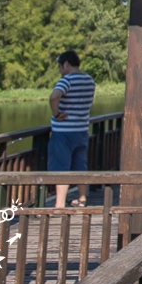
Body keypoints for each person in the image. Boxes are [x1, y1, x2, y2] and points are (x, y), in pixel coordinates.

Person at [49, 50, 96, 208]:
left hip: (64, 131)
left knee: (61, 166)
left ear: (66, 64)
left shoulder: (66, 80)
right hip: (82, 129)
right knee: (80, 165)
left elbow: (54, 96)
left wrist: (56, 114)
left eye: (60, 66)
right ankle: (82, 198)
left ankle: (59, 204)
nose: (60, 69)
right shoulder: (89, 80)